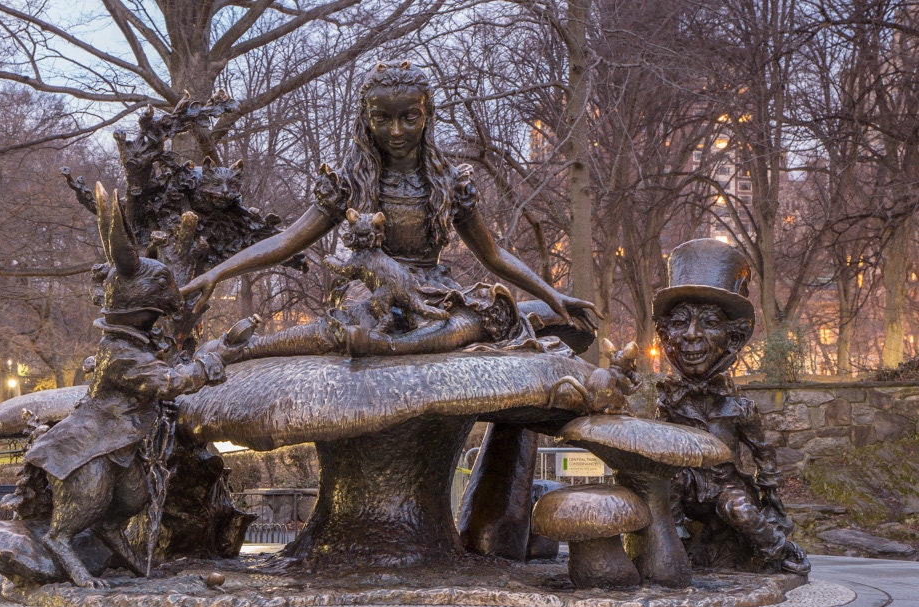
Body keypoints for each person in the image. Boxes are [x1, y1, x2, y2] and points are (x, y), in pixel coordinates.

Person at [182, 61, 598, 358]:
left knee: (476, 319)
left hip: (432, 291)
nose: (395, 131)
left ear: (426, 116)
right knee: (354, 323)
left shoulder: (450, 183)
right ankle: (243, 348)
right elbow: (288, 240)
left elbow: (492, 255)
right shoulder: (349, 181)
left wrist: (553, 294)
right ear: (367, 119)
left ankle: (387, 344)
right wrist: (218, 273)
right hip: (375, 289)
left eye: (408, 118)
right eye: (382, 119)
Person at [653, 238, 809, 574]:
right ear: (665, 336)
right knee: (666, 486)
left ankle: (781, 552)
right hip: (685, 482)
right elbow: (655, 448)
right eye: (680, 323)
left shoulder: (739, 407)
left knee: (742, 512)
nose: (692, 336)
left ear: (732, 338)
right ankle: (672, 553)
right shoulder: (668, 399)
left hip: (725, 484)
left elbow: (763, 453)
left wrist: (773, 505)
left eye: (709, 323)